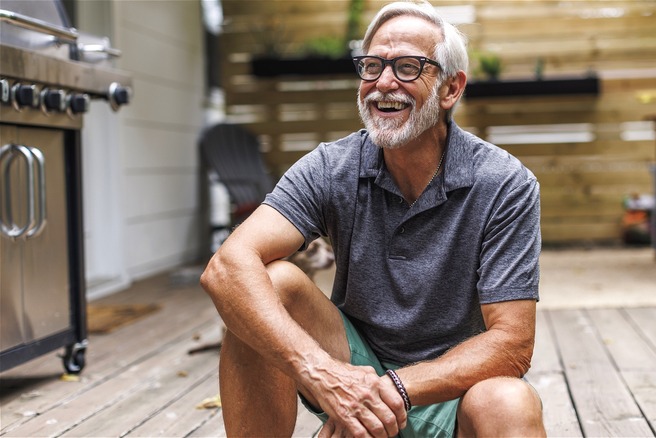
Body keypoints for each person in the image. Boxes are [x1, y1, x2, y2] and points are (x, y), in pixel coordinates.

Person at [200, 1, 545, 436]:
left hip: (452, 391)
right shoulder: (332, 166)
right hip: (351, 367)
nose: (383, 83)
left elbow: (512, 343)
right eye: (372, 66)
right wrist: (324, 376)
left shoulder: (504, 182)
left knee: (510, 401)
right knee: (266, 283)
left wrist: (387, 391)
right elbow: (226, 267)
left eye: (407, 67)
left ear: (450, 89)